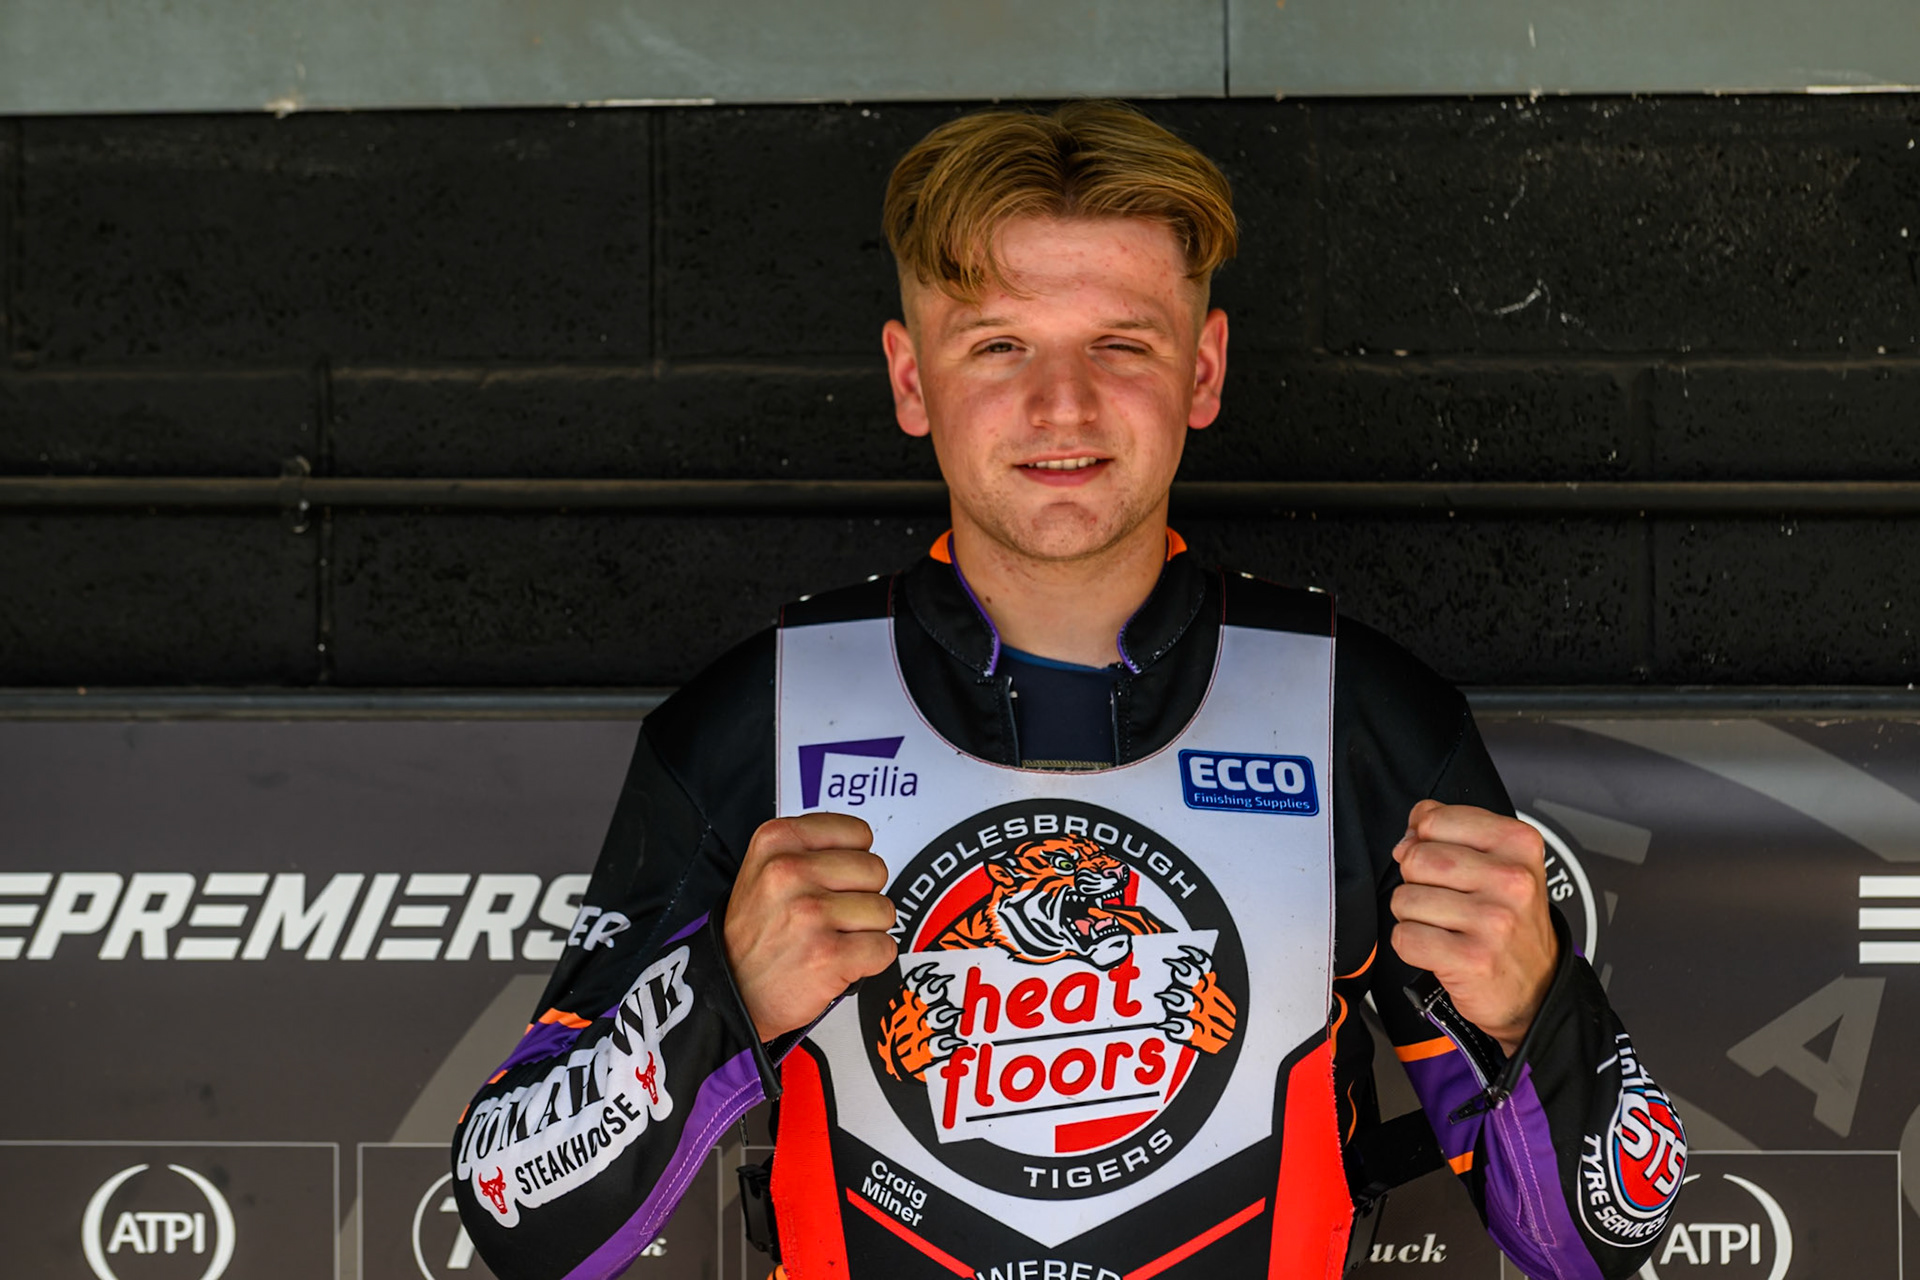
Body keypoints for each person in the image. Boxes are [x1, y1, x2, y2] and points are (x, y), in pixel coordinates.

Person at [450, 101, 1685, 1280]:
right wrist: (716, 998)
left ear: (1203, 369)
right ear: (910, 379)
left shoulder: (1354, 714)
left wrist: (1539, 1011)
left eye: (1121, 344)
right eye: (998, 345)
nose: (1063, 405)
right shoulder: (756, 720)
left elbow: (1598, 1240)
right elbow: (518, 1218)